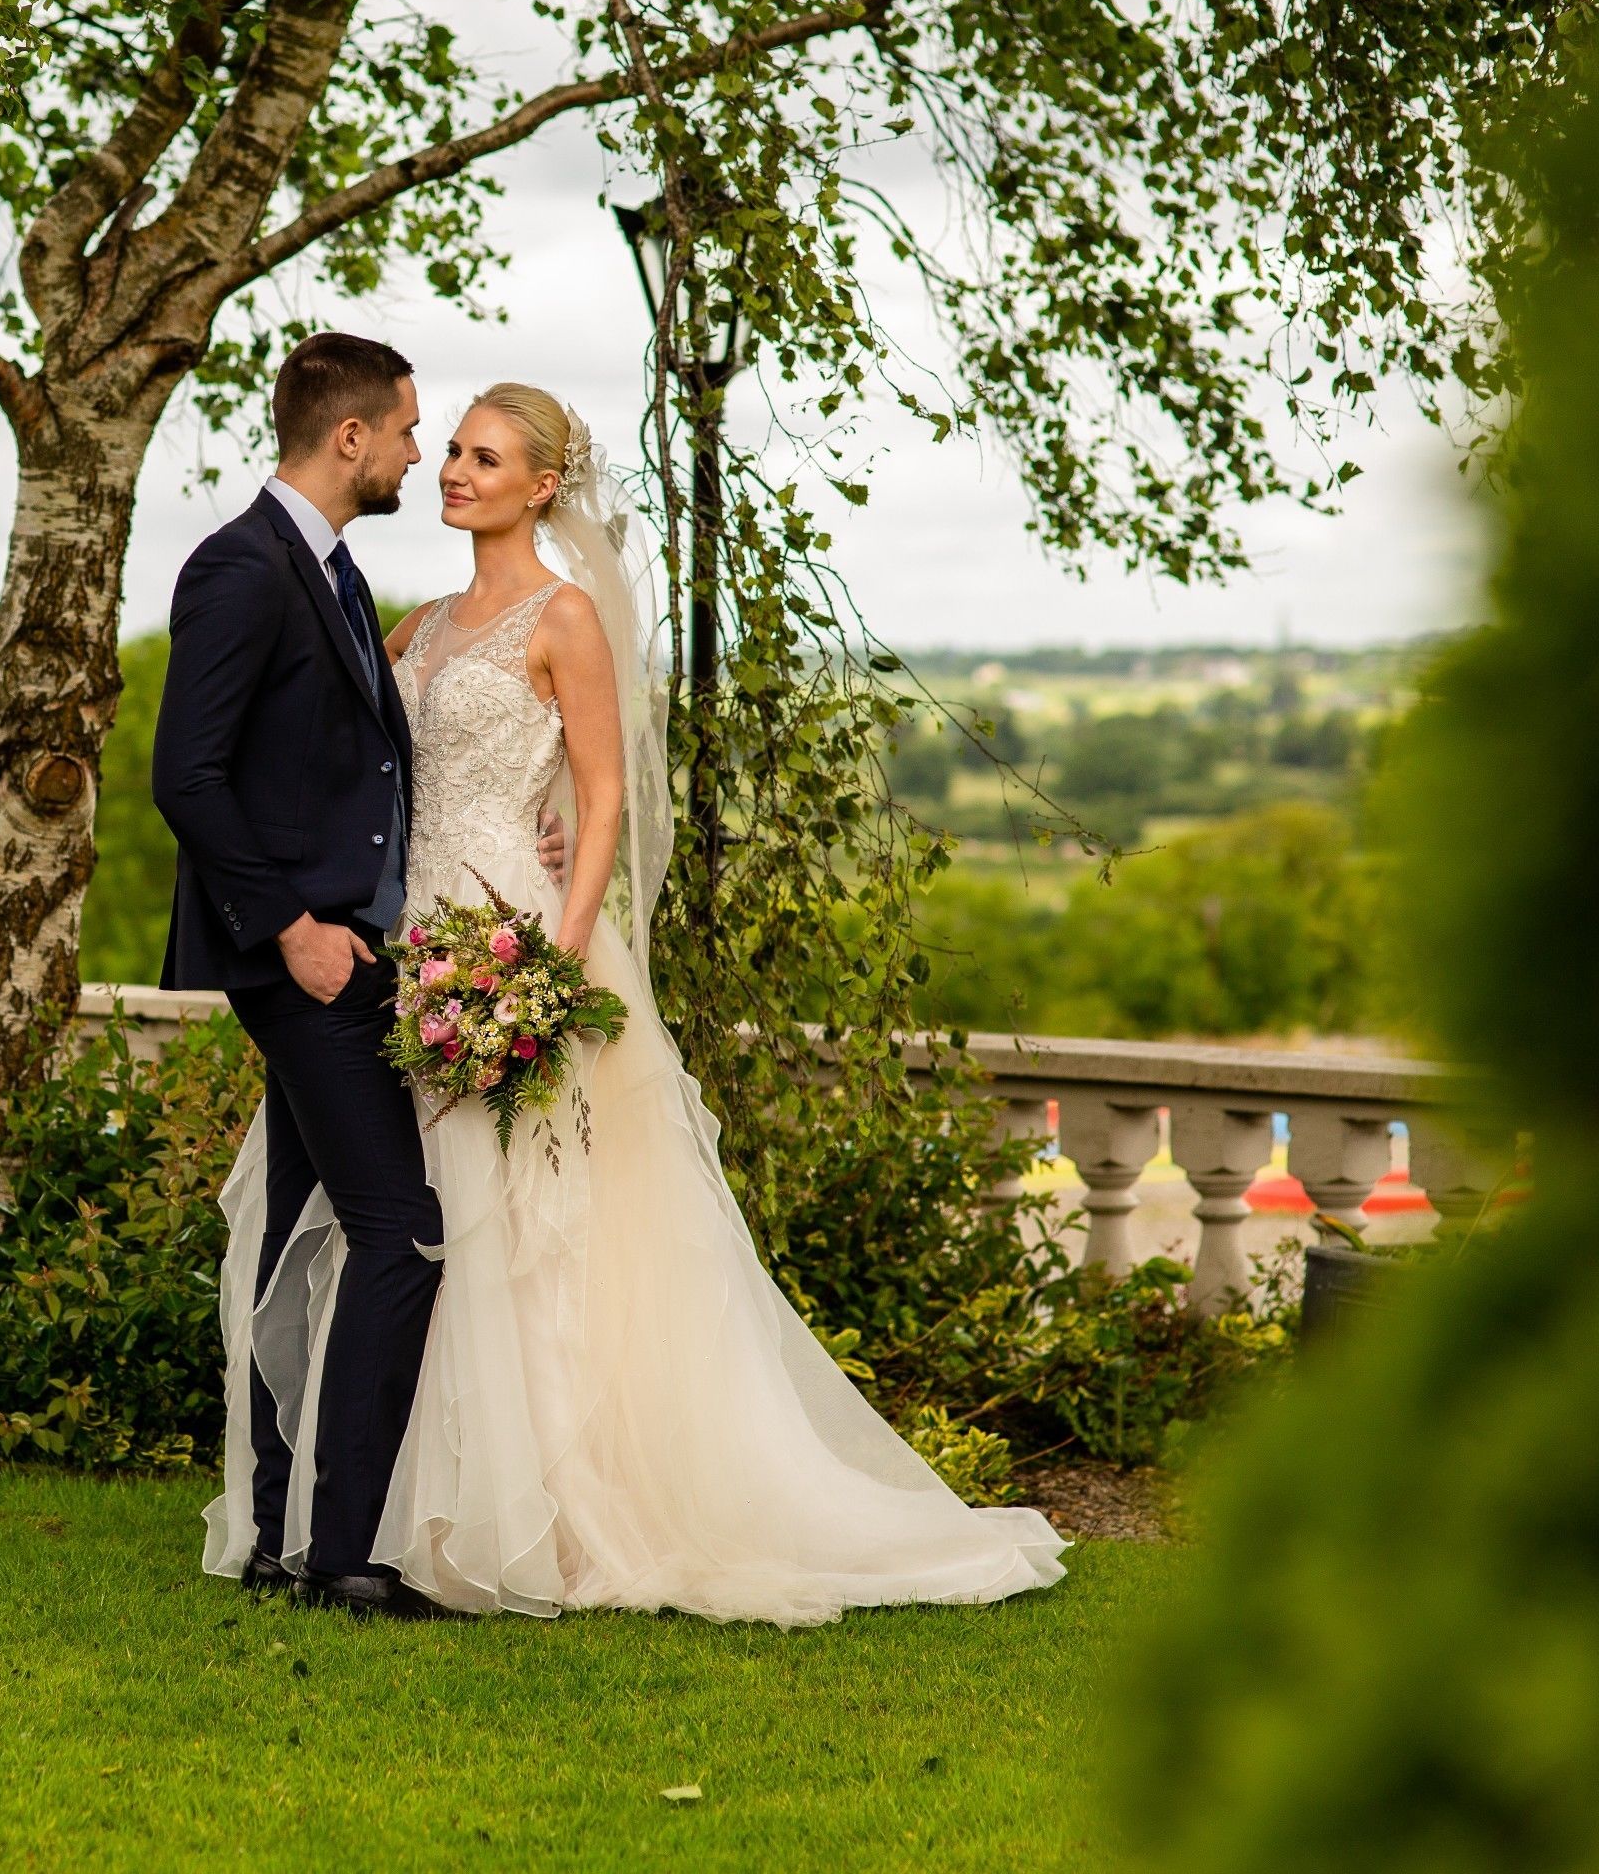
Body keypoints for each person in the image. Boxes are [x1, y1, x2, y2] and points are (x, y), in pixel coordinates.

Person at [205, 381, 1068, 1624]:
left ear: (541, 486)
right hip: (408, 953)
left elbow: (603, 800)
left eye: (482, 457)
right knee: (405, 1218)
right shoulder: (418, 626)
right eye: (445, 449)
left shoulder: (564, 622)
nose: (451, 470)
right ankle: (387, 1513)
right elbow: (372, 778)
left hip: (515, 944)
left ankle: (541, 1514)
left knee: (525, 1228)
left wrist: (550, 960)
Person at [152, 332, 451, 1619]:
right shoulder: (240, 566)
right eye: (404, 431)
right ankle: (345, 1558)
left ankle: (282, 1537)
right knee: (401, 1234)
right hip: (306, 965)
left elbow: (362, 773)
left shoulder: (329, 570)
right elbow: (188, 776)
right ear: (349, 439)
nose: (415, 451)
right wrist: (290, 930)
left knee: (292, 1245)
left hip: (353, 953)